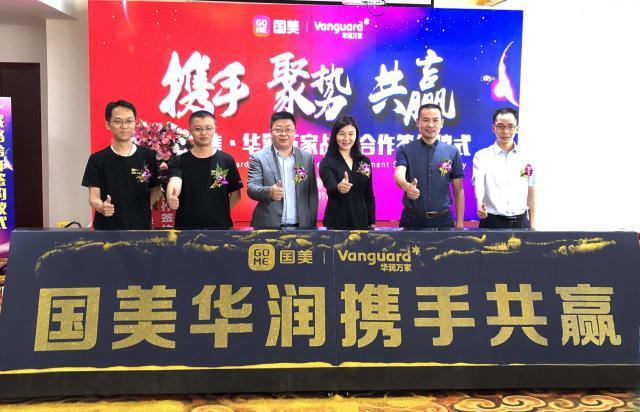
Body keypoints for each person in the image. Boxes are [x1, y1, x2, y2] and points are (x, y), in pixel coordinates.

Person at [82, 100, 161, 230]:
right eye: (118, 121)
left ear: (135, 123)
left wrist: (142, 207)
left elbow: (156, 188)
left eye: (129, 121)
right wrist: (102, 207)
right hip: (107, 229)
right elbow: (93, 197)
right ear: (108, 124)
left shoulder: (148, 156)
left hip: (141, 229)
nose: (124, 126)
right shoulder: (98, 159)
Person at [166, 110, 242, 229]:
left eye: (208, 128)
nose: (203, 133)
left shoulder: (226, 160)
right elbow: (175, 181)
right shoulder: (179, 160)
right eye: (198, 129)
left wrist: (219, 214)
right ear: (190, 130)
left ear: (215, 129)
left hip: (221, 229)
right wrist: (172, 196)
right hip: (186, 229)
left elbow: (236, 195)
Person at [394, 103, 464, 230]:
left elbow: (458, 190)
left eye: (435, 120)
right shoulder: (405, 149)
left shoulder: (452, 151)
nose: (430, 125)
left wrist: (460, 223)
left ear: (442, 123)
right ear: (418, 122)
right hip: (412, 219)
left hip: (443, 220)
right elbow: (399, 175)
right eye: (425, 120)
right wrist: (407, 187)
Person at [247, 111, 318, 229]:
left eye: (288, 129)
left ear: (295, 132)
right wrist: (269, 192)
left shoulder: (306, 158)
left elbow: (312, 195)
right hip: (268, 226)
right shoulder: (258, 158)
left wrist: (312, 223)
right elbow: (252, 188)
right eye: (278, 130)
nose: (283, 133)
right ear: (270, 132)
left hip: (302, 226)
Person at [472, 107, 535, 229]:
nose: (505, 131)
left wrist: (532, 224)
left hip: (521, 222)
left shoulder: (527, 157)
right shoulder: (482, 156)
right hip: (491, 222)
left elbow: (531, 189)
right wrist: (479, 203)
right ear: (493, 128)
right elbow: (479, 184)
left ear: (517, 129)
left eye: (510, 126)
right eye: (500, 126)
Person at [319, 115, 375, 229]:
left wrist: (372, 221)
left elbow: (368, 194)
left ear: (356, 135)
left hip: (361, 222)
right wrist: (339, 188)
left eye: (351, 134)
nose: (346, 138)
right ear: (335, 135)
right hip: (336, 222)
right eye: (342, 134)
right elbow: (330, 186)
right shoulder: (327, 162)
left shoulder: (364, 161)